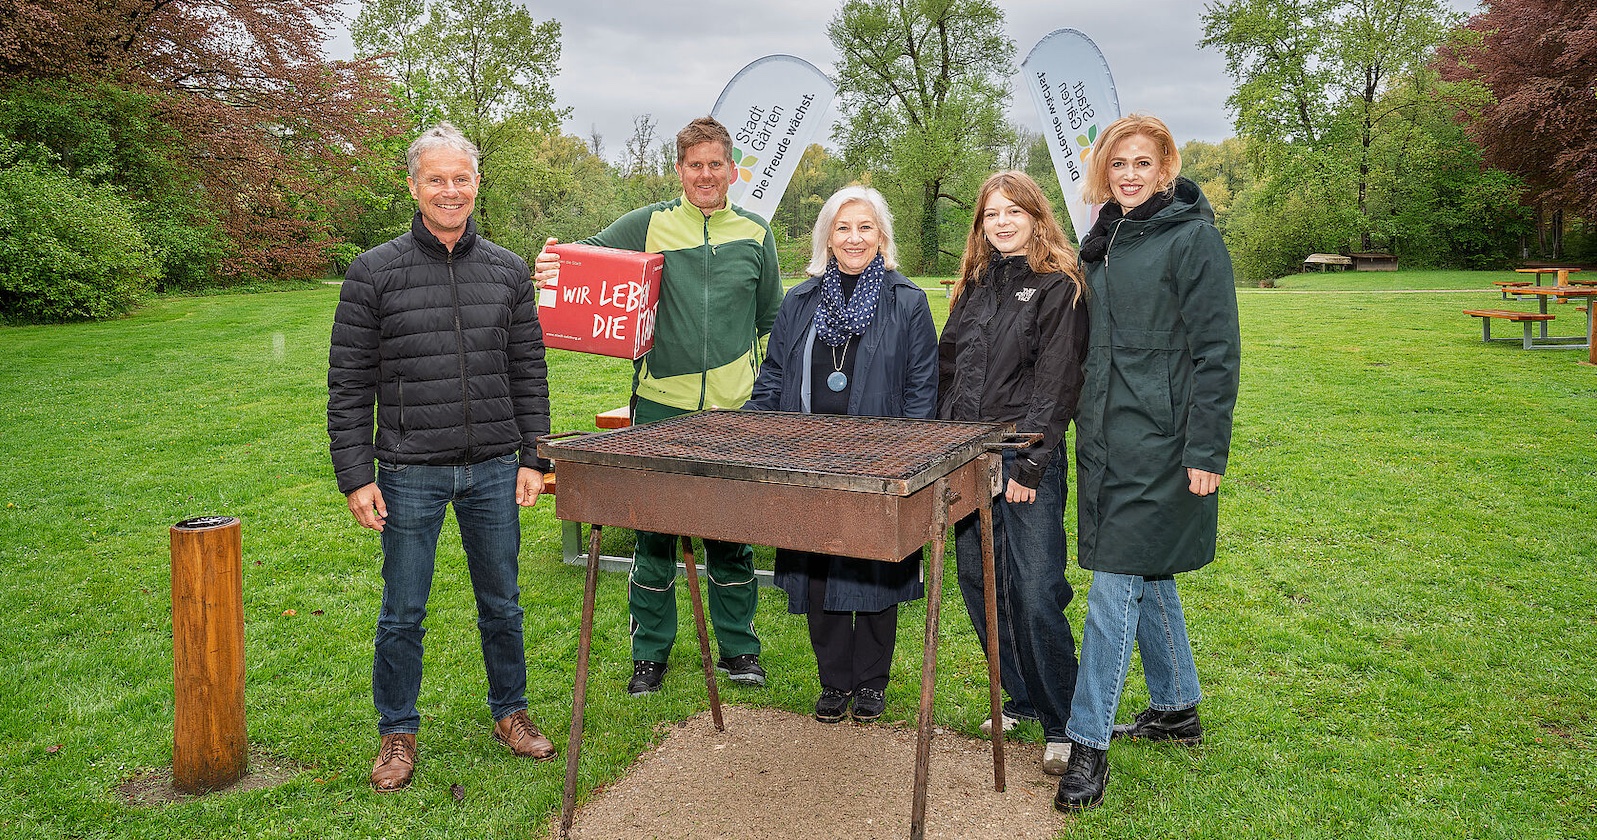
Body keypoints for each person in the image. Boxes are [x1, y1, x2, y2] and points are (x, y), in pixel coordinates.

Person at [327, 122, 558, 793]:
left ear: (476, 185)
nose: (449, 190)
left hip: (493, 466)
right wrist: (355, 476)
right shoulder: (374, 272)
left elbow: (528, 371)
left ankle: (510, 713)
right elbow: (348, 383)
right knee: (402, 611)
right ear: (413, 186)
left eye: (461, 178)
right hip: (408, 471)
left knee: (503, 604)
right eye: (436, 179)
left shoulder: (508, 271)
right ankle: (396, 732)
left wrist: (533, 458)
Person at [533, 117, 783, 697]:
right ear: (679, 170)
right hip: (658, 406)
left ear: (731, 171)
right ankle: (649, 655)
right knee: (653, 535)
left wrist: (769, 399)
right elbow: (584, 257)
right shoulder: (649, 223)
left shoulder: (755, 233)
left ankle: (740, 649)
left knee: (730, 534)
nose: (705, 175)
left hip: (732, 411)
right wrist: (553, 264)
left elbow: (773, 323)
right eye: (694, 165)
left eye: (715, 164)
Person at [1054, 114, 1240, 811]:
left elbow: (1217, 352)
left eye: (1142, 163)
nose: (1129, 175)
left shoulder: (1192, 239)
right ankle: (1176, 708)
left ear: (1165, 169)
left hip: (1163, 442)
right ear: (1104, 171)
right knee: (1146, 571)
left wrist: (1205, 449)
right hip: (1104, 438)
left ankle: (1086, 746)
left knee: (1113, 586)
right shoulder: (1099, 241)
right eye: (1118, 164)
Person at [744, 186, 937, 724]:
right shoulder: (800, 300)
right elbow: (775, 374)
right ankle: (834, 681)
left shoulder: (907, 301)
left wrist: (911, 460)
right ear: (827, 236)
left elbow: (923, 389)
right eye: (843, 228)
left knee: (878, 568)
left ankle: (872, 682)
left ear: (882, 237)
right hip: (809, 463)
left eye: (865, 228)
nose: (854, 239)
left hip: (880, 463)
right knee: (820, 570)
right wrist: (753, 427)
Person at [937, 170, 1088, 775]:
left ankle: (1064, 721)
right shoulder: (973, 288)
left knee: (1035, 589)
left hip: (1026, 461)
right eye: (991, 214)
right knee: (978, 582)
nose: (1001, 222)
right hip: (967, 459)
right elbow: (950, 375)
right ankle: (1020, 697)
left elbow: (1058, 381)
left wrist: (1030, 462)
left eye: (1013, 211)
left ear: (1036, 217)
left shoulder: (1058, 288)